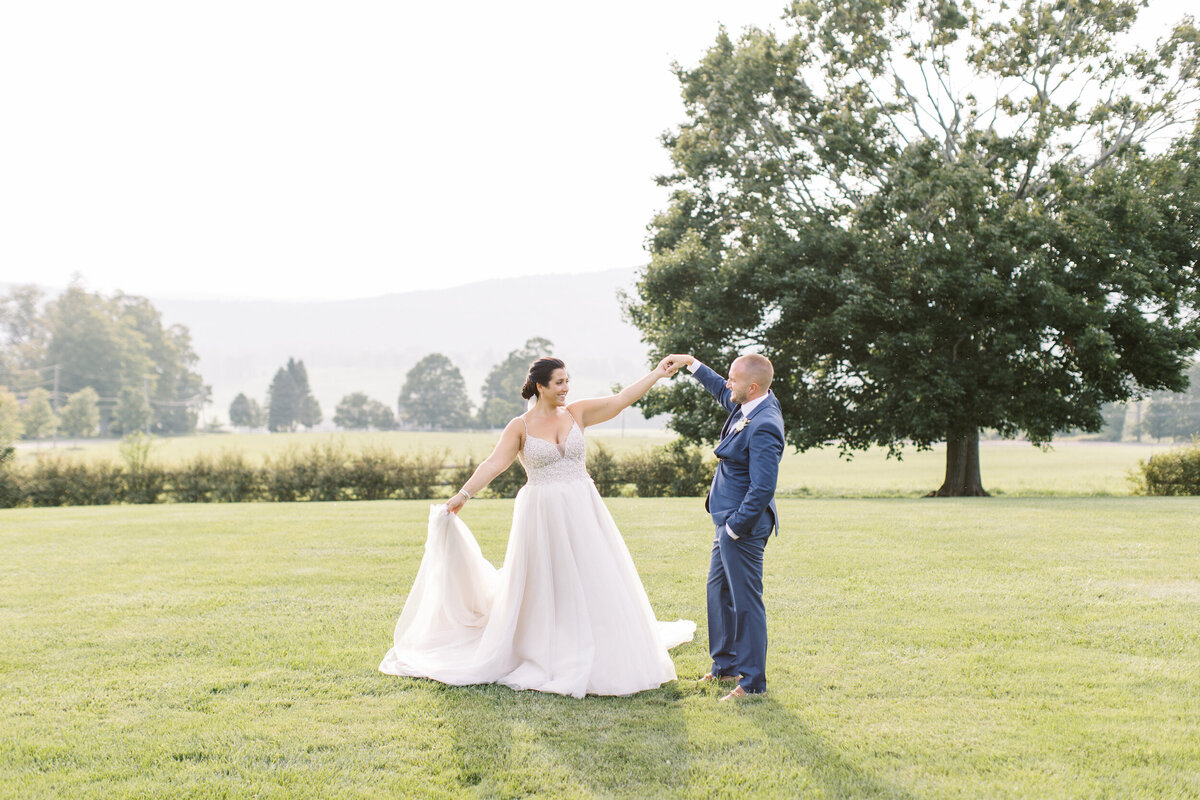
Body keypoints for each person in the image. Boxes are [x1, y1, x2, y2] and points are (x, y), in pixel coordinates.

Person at [379, 356, 695, 697]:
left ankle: (598, 639)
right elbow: (494, 462)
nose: (566, 388)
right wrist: (463, 495)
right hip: (542, 512)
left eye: (567, 381)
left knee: (594, 572)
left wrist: (658, 374)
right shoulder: (521, 426)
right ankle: (547, 644)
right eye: (559, 382)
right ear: (540, 386)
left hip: (583, 507)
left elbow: (621, 400)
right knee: (548, 579)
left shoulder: (577, 413)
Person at [664, 353, 784, 701]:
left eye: (733, 379)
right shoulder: (748, 403)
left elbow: (763, 487)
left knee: (745, 601)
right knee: (718, 592)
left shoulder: (764, 425)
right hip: (727, 523)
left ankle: (753, 682)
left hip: (742, 527)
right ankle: (725, 666)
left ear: (752, 386)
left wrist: (734, 528)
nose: (727, 383)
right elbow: (721, 389)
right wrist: (691, 364)